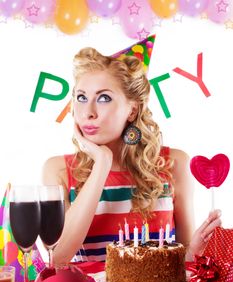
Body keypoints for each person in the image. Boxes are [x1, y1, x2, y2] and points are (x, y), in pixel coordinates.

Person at [42, 47, 221, 265]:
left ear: (132, 110)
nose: (88, 111)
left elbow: (181, 262)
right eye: (81, 97)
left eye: (104, 98)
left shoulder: (173, 164)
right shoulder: (58, 170)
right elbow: (57, 258)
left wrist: (193, 252)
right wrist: (102, 164)